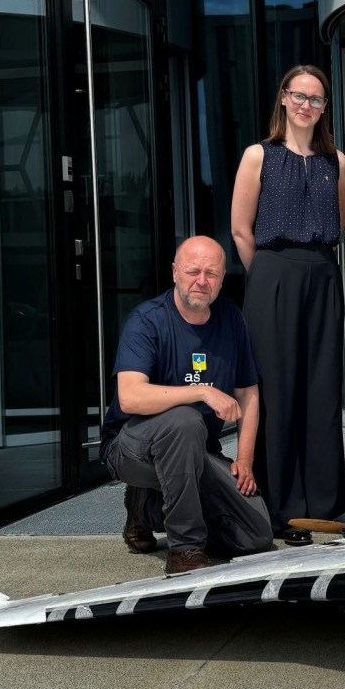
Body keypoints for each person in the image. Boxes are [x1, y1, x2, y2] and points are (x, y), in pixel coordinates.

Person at [100, 236, 272, 574]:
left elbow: (248, 392)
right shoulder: (147, 321)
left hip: (197, 452)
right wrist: (202, 391)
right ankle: (185, 550)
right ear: (175, 273)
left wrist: (245, 459)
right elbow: (130, 396)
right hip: (131, 449)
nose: (202, 281)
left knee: (255, 536)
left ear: (223, 278)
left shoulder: (231, 319)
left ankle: (146, 508)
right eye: (193, 271)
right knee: (184, 420)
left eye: (212, 273)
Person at [231, 65, 345, 544]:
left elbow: (336, 227)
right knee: (276, 391)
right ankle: (282, 511)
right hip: (272, 275)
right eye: (298, 95)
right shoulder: (258, 156)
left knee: (321, 391)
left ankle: (323, 507)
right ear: (283, 99)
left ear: (324, 108)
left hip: (322, 275)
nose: (306, 104)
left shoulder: (336, 162)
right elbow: (241, 229)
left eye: (316, 99)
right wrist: (265, 278)